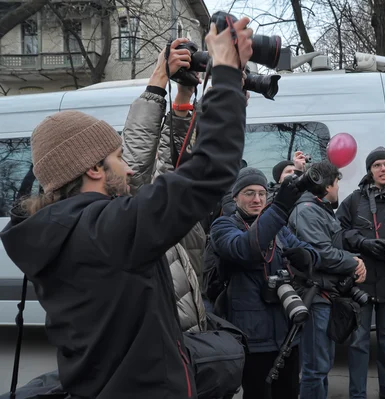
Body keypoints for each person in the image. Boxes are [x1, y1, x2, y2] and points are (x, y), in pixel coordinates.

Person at [0, 20, 253, 399]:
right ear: (93, 168)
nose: (129, 166)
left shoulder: (59, 232)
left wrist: (175, 95)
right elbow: (208, 172)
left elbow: (168, 174)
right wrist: (227, 75)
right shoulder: (107, 232)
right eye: (118, 157)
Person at [209, 167, 320, 399]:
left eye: (261, 193)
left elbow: (312, 251)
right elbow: (244, 248)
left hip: (288, 332)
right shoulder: (223, 226)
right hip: (252, 338)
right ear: (235, 196)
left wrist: (307, 256)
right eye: (249, 193)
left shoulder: (279, 228)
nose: (257, 199)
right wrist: (279, 207)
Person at [122, 49, 210, 333]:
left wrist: (184, 96)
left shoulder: (160, 197)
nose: (121, 164)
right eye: (114, 157)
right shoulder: (124, 210)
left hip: (185, 321)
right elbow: (136, 166)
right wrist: (158, 79)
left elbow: (173, 159)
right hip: (163, 333)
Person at [336, 147, 385, 399]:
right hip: (361, 282)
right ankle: (357, 394)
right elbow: (338, 232)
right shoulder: (353, 201)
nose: (384, 169)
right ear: (369, 172)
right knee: (358, 341)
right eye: (377, 165)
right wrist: (362, 242)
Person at [288, 160, 367, 399]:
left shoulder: (317, 209)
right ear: (326, 186)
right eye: (336, 184)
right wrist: (354, 261)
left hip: (324, 296)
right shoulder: (307, 211)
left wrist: (352, 258)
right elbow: (320, 253)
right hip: (314, 297)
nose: (337, 189)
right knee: (315, 367)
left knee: (321, 366)